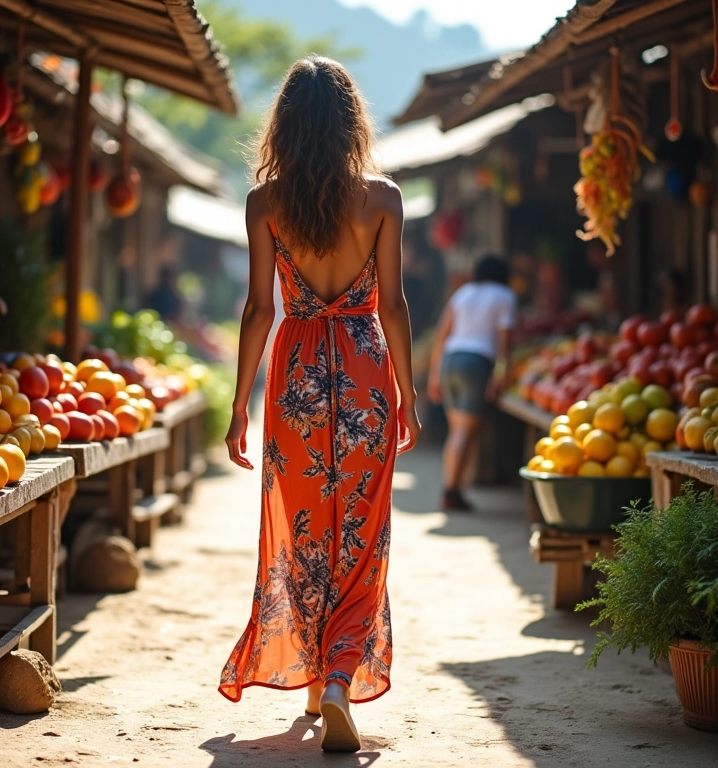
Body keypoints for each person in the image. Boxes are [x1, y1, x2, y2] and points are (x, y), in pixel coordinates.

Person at [221, 56, 420, 753]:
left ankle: (316, 676)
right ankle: (332, 682)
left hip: (297, 376)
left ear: (283, 126)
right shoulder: (383, 199)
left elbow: (254, 310)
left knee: (305, 531)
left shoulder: (264, 204)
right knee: (360, 539)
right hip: (366, 374)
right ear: (350, 125)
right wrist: (410, 396)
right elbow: (392, 305)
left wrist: (238, 404)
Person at [427, 255, 516, 511]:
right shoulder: (505, 295)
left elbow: (441, 334)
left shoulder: (463, 293)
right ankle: (451, 491)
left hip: (450, 361)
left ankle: (455, 490)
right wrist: (501, 373)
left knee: (458, 431)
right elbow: (504, 340)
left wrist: (434, 375)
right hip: (477, 364)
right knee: (464, 432)